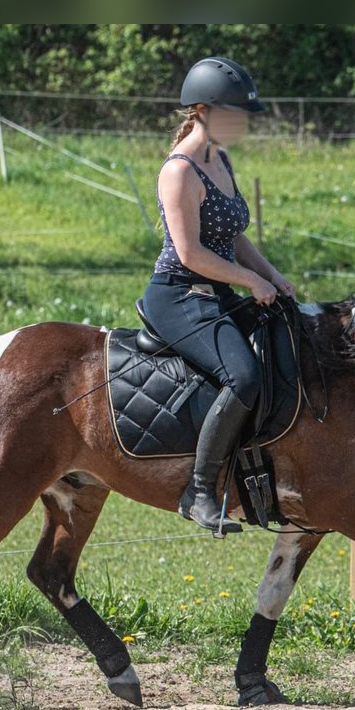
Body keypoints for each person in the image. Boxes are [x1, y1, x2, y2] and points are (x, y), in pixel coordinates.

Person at [143, 55, 296, 536]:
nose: (242, 125)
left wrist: (273, 275)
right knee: (244, 376)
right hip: (178, 294)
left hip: (216, 290)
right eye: (235, 114)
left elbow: (235, 237)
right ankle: (201, 492)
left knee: (289, 341)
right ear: (204, 111)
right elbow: (189, 253)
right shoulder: (180, 172)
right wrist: (252, 282)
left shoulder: (220, 160)